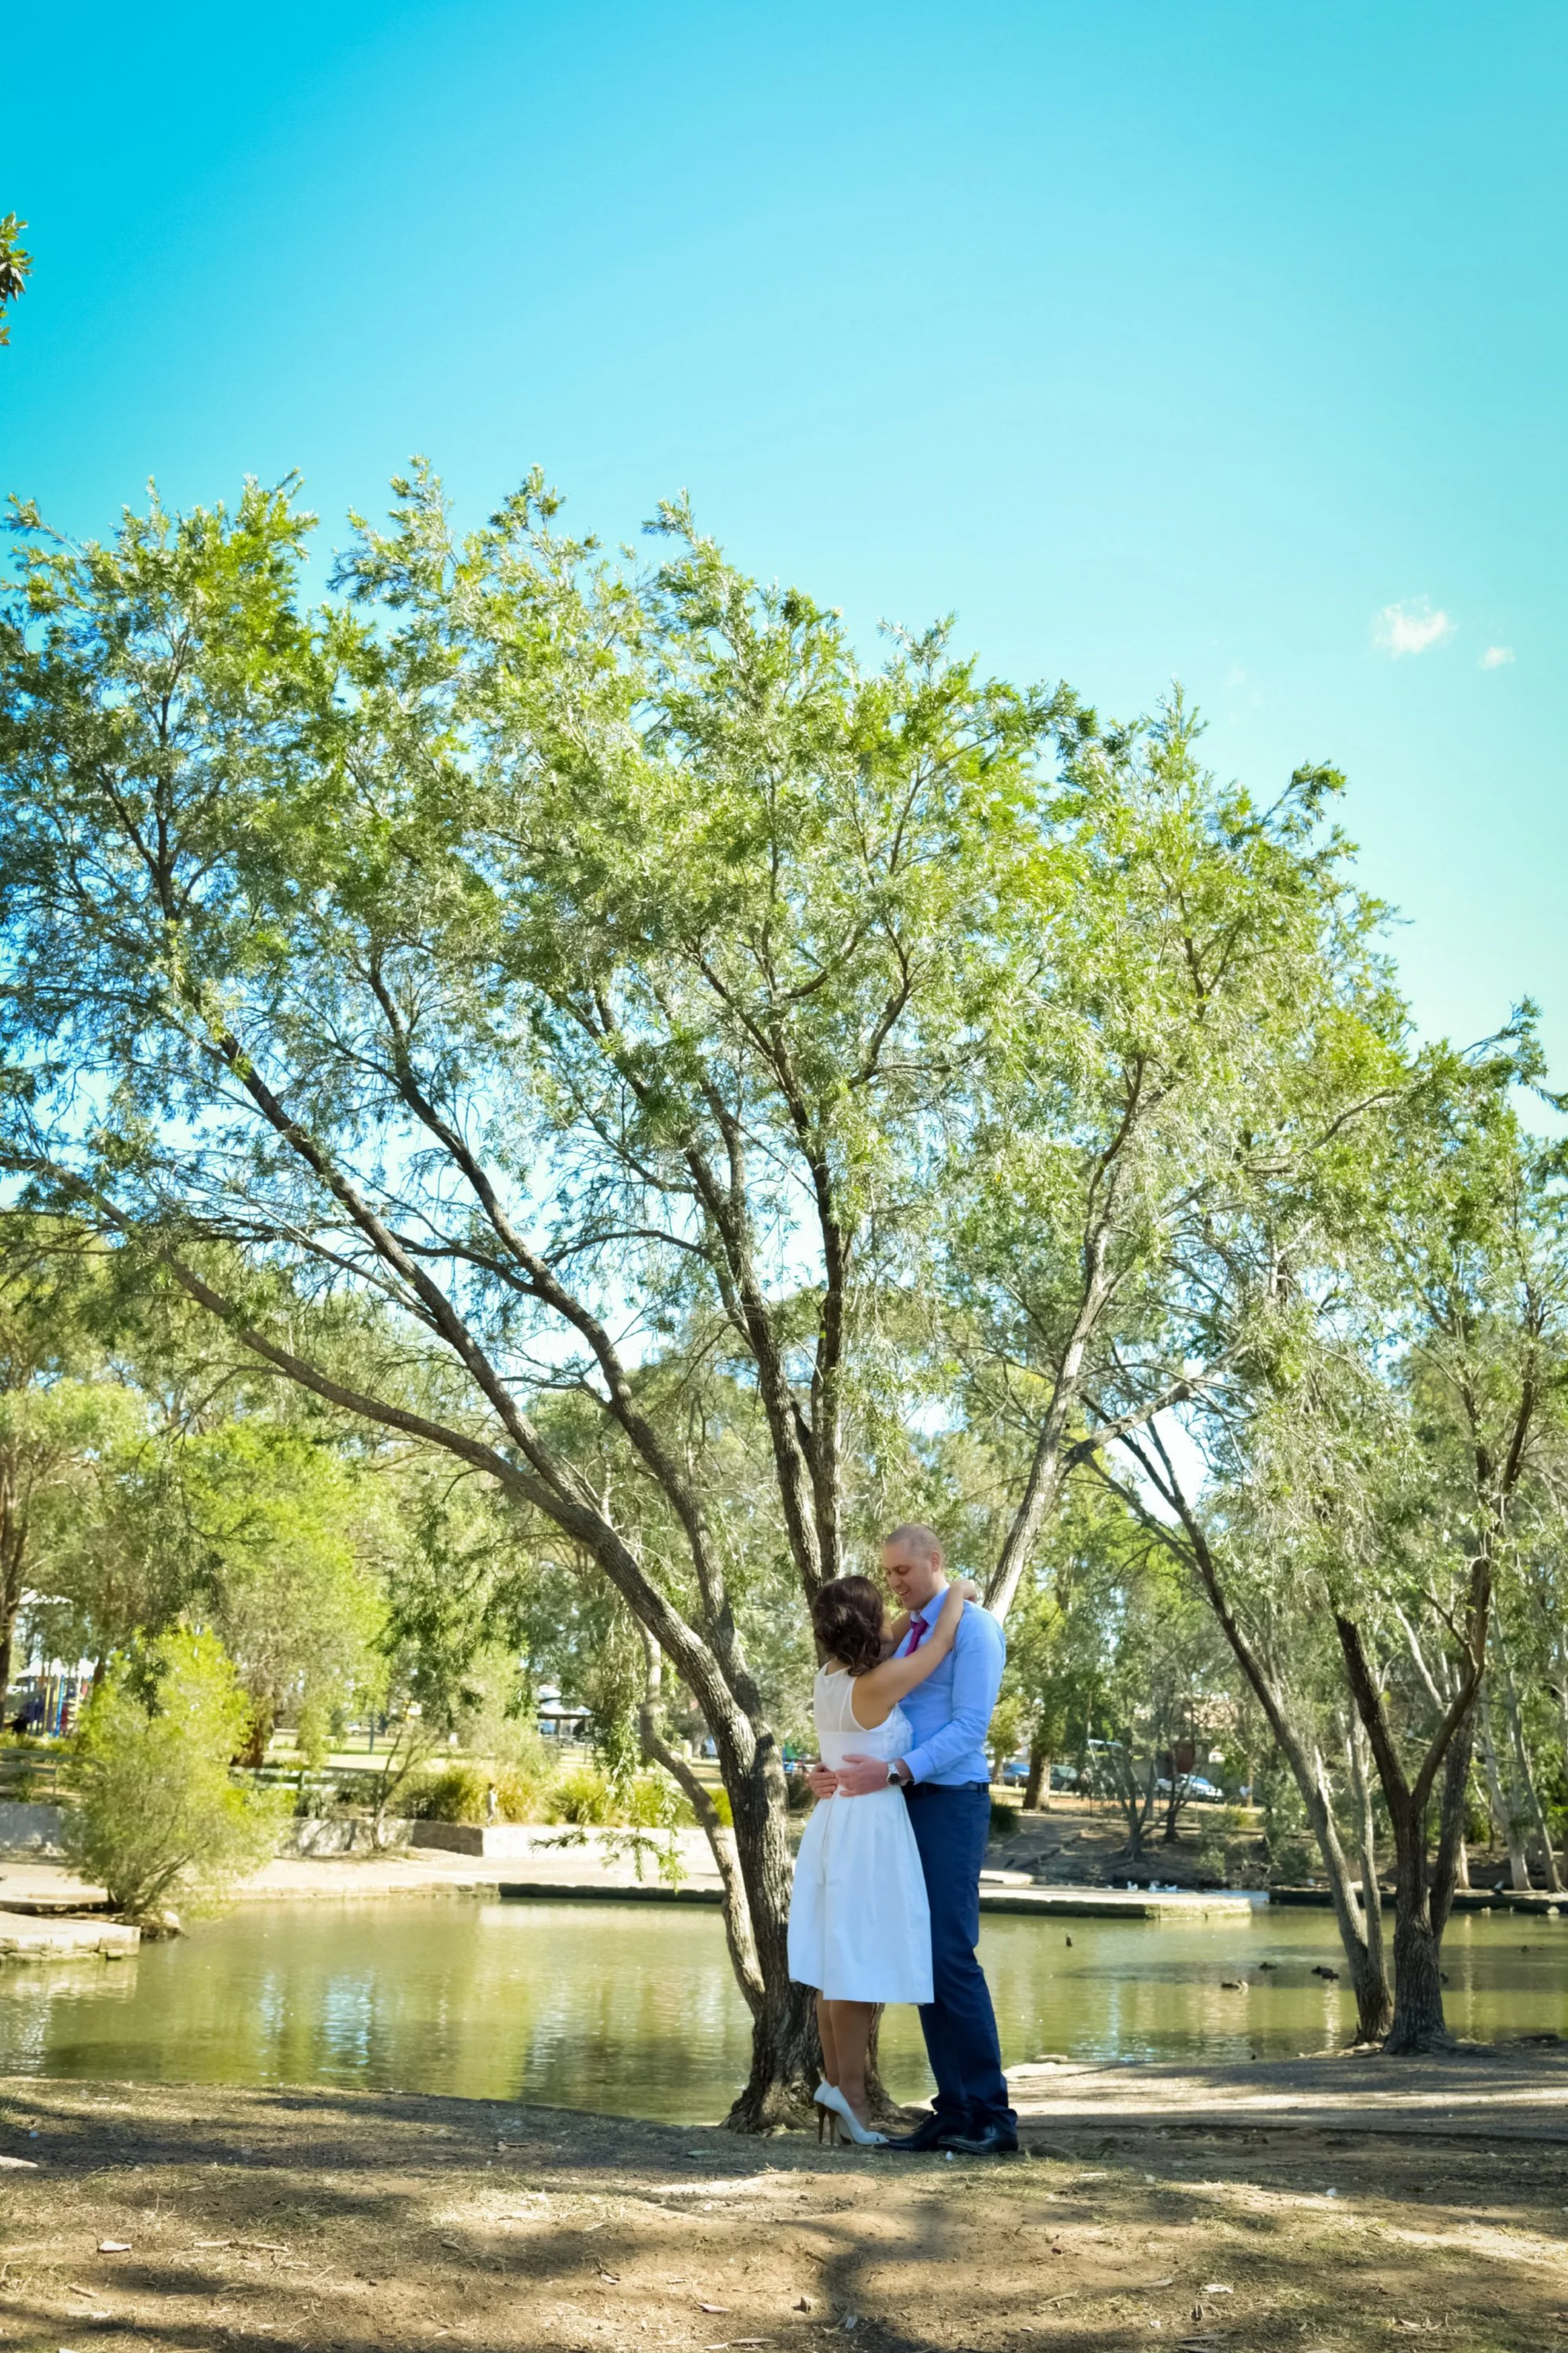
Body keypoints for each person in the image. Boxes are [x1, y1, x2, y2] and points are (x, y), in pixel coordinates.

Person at [806, 1523, 1015, 2156]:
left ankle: (991, 2116)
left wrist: (896, 1768)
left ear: (935, 1561)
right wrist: (831, 1770)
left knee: (951, 1953)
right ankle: (952, 2108)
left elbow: (970, 1728)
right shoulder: (896, 1637)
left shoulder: (974, 1629)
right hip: (892, 1806)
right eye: (888, 1574)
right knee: (920, 1957)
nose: (897, 1582)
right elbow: (855, 1719)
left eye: (904, 1571)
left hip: (947, 1801)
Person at [787, 1571, 970, 2146]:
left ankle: (838, 2087)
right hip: (868, 1828)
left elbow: (891, 1634)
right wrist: (959, 1592)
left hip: (835, 1822)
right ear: (866, 1623)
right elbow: (937, 1645)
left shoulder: (829, 1677)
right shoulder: (876, 1684)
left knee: (833, 1966)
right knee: (857, 1968)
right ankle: (855, 2100)